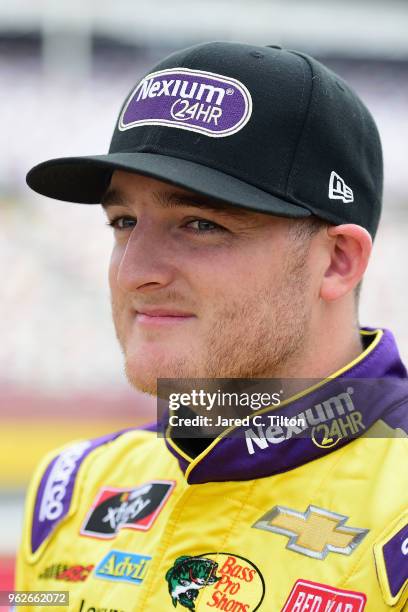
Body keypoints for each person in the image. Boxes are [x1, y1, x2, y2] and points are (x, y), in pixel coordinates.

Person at [16, 42, 407, 611]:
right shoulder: (72, 488)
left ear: (338, 261)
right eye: (123, 222)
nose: (134, 273)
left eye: (200, 223)